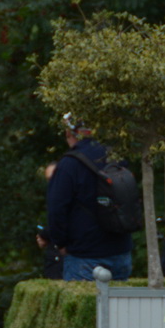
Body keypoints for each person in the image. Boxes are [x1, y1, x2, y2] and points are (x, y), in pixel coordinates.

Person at [46, 119, 131, 280]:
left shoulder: (69, 164)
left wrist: (60, 243)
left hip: (84, 254)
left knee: (86, 297)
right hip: (121, 249)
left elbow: (57, 209)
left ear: (69, 133)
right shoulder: (115, 157)